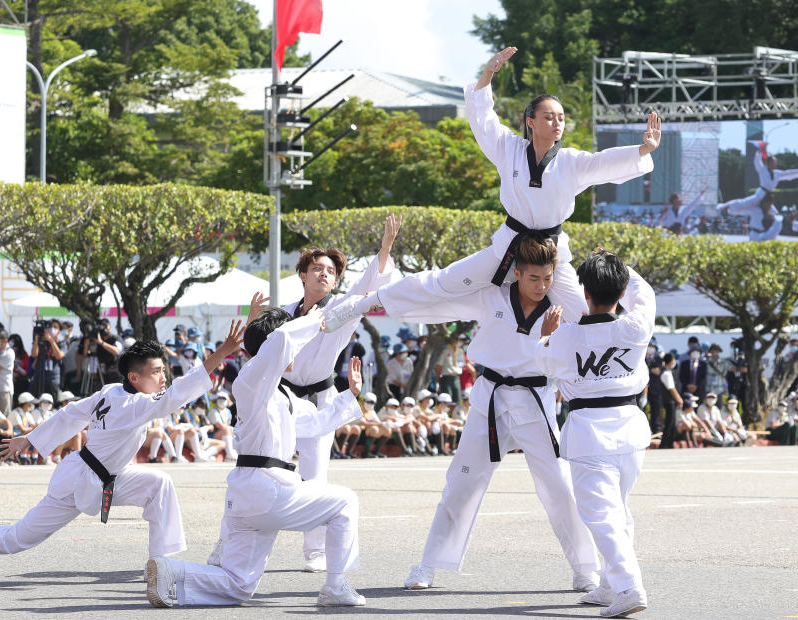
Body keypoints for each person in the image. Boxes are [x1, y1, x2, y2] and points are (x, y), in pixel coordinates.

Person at [322, 46, 659, 335]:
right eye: (549, 116)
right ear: (530, 120)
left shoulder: (571, 161)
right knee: (441, 284)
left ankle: (607, 378)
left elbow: (604, 163)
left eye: (561, 118)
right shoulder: (508, 149)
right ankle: (359, 305)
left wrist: (642, 151)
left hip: (551, 254)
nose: (557, 123)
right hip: (509, 245)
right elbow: (483, 118)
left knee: (584, 315)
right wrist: (487, 75)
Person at [0, 328, 241, 585]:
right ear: (134, 378)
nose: (163, 376)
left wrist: (29, 439)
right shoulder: (134, 404)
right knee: (17, 539)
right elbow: (176, 394)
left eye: (162, 370)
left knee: (159, 484)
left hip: (104, 476)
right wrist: (222, 353)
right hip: (79, 481)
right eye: (156, 371)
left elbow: (71, 414)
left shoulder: (111, 392)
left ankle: (160, 566)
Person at [402, 237, 600, 595]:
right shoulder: (492, 295)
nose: (542, 286)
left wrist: (552, 338)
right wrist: (384, 297)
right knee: (461, 484)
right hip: (489, 400)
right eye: (534, 278)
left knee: (559, 488)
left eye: (548, 278)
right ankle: (428, 564)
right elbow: (441, 299)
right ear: (517, 273)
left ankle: (586, 570)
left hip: (535, 402)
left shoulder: (564, 307)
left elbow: (583, 347)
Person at [209, 215, 400, 573]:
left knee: (315, 474)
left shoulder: (341, 310)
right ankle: (227, 541)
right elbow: (260, 348)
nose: (323, 274)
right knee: (254, 466)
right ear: (302, 274)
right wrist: (253, 322)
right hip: (277, 398)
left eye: (330, 271)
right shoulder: (282, 317)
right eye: (316, 268)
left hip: (319, 396)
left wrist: (386, 247)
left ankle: (314, 552)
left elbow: (365, 289)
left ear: (337, 280)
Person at [147, 308, 367, 608]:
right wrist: (320, 319)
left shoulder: (282, 396)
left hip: (250, 495)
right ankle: (336, 585)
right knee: (345, 502)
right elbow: (281, 339)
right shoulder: (251, 380)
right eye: (295, 347)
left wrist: (350, 394)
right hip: (270, 489)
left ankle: (171, 571)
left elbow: (317, 422)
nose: (297, 353)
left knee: (240, 586)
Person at [535, 250, 654, 617]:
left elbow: (540, 363)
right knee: (617, 511)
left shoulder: (565, 336)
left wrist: (545, 336)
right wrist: (617, 265)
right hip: (630, 429)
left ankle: (629, 586)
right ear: (620, 294)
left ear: (584, 291)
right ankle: (608, 586)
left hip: (590, 433)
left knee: (601, 515)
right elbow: (643, 291)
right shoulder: (636, 326)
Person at [717, 146, 798, 215]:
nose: (775, 164)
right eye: (774, 162)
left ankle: (730, 210)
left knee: (775, 214)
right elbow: (757, 161)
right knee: (745, 203)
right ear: (769, 163)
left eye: (775, 162)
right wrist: (760, 150)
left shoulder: (777, 173)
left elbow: (788, 174)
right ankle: (724, 206)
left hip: (768, 197)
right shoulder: (763, 170)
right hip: (761, 195)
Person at [658, 353, 683, 449]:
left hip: (670, 401)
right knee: (669, 423)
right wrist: (679, 399)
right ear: (671, 361)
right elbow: (671, 388)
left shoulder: (668, 372)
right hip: (669, 401)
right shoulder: (666, 373)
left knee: (672, 423)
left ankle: (670, 443)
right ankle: (664, 443)